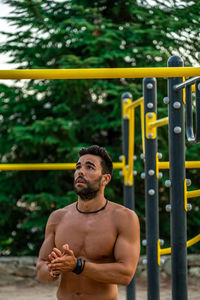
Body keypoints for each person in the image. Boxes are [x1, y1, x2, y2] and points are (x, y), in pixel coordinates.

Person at [36, 145, 140, 300]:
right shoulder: (57, 218)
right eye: (78, 167)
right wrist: (54, 269)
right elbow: (41, 270)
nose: (80, 171)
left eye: (90, 167)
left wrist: (77, 266)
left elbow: (125, 274)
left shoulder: (124, 218)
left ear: (105, 179)